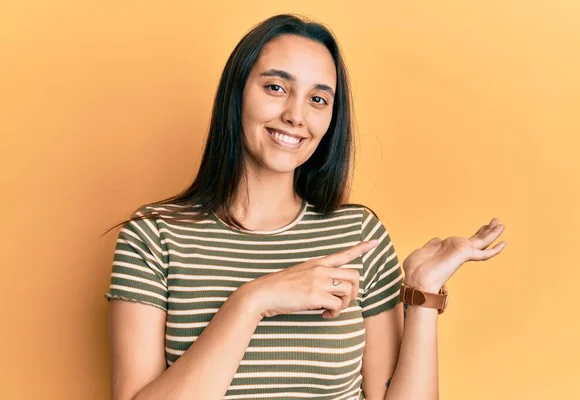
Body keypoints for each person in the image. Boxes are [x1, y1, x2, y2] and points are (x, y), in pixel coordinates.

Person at [104, 13, 507, 400]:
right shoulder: (155, 235)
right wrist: (253, 301)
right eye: (276, 88)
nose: (296, 116)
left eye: (317, 99)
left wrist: (422, 292)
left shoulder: (358, 235)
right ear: (237, 92)